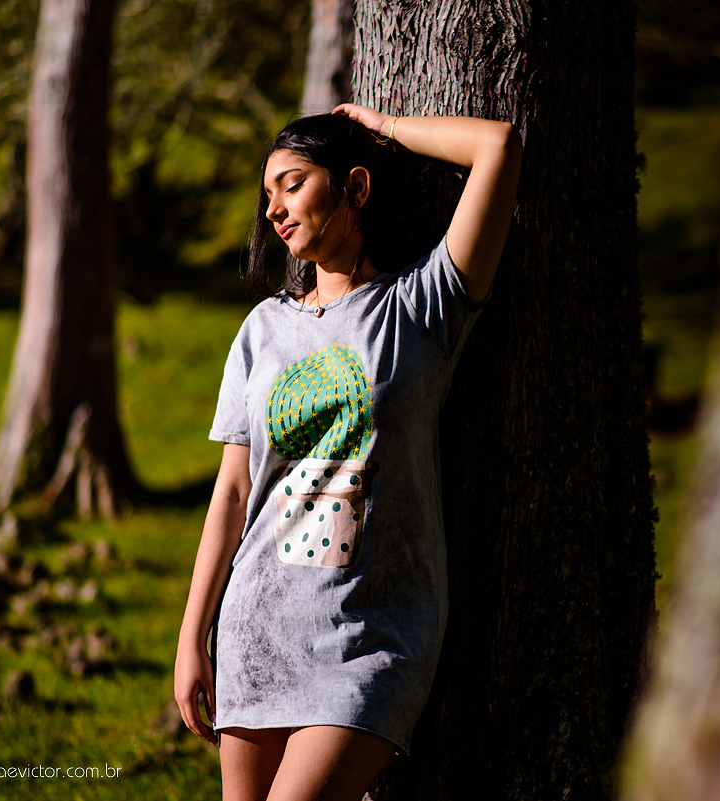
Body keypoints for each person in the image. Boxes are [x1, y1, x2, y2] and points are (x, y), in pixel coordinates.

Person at [174, 104, 522, 801]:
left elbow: (499, 146)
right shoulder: (262, 330)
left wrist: (378, 125)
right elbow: (234, 493)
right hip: (257, 631)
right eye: (267, 194)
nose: (273, 209)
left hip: (369, 639)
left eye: (292, 184)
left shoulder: (421, 306)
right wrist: (192, 638)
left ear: (355, 187)